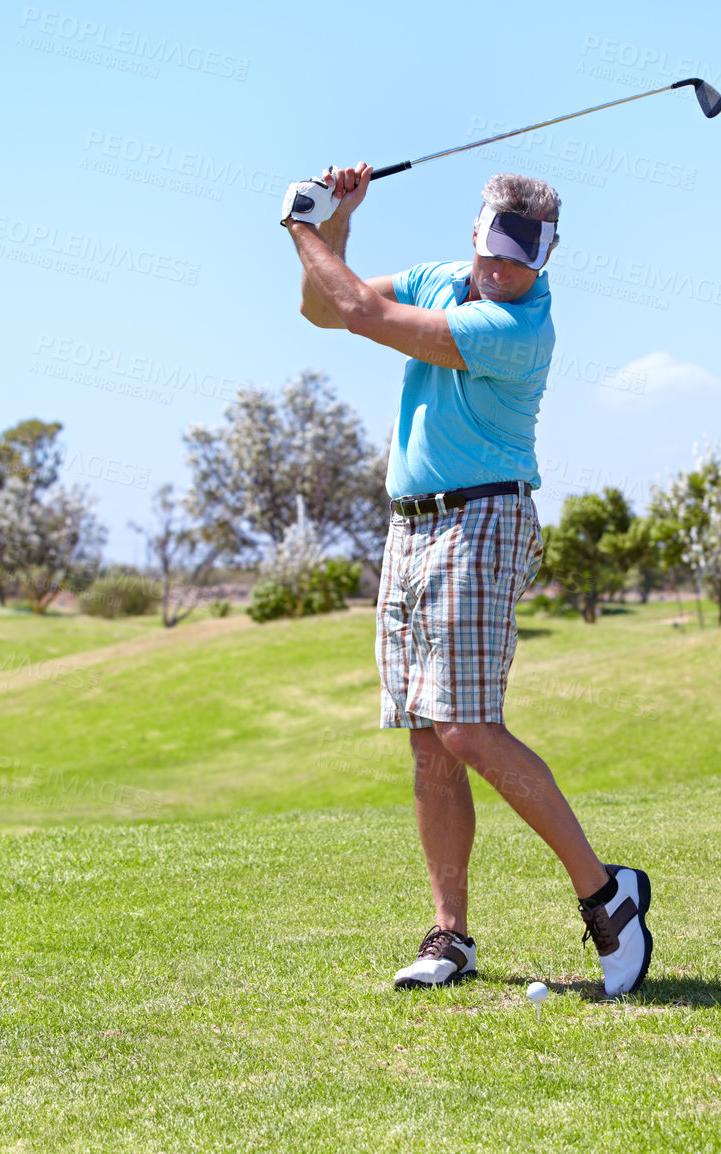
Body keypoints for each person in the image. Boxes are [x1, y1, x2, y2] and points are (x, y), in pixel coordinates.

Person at [282, 164, 652, 997]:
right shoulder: (440, 279)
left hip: (483, 517)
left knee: (466, 728)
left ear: (545, 259)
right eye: (492, 251)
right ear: (475, 234)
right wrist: (332, 228)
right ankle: (450, 935)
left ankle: (608, 896)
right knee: (429, 739)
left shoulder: (515, 328)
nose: (499, 270)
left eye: (519, 260)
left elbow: (360, 312)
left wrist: (302, 225)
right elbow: (319, 308)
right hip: (412, 523)